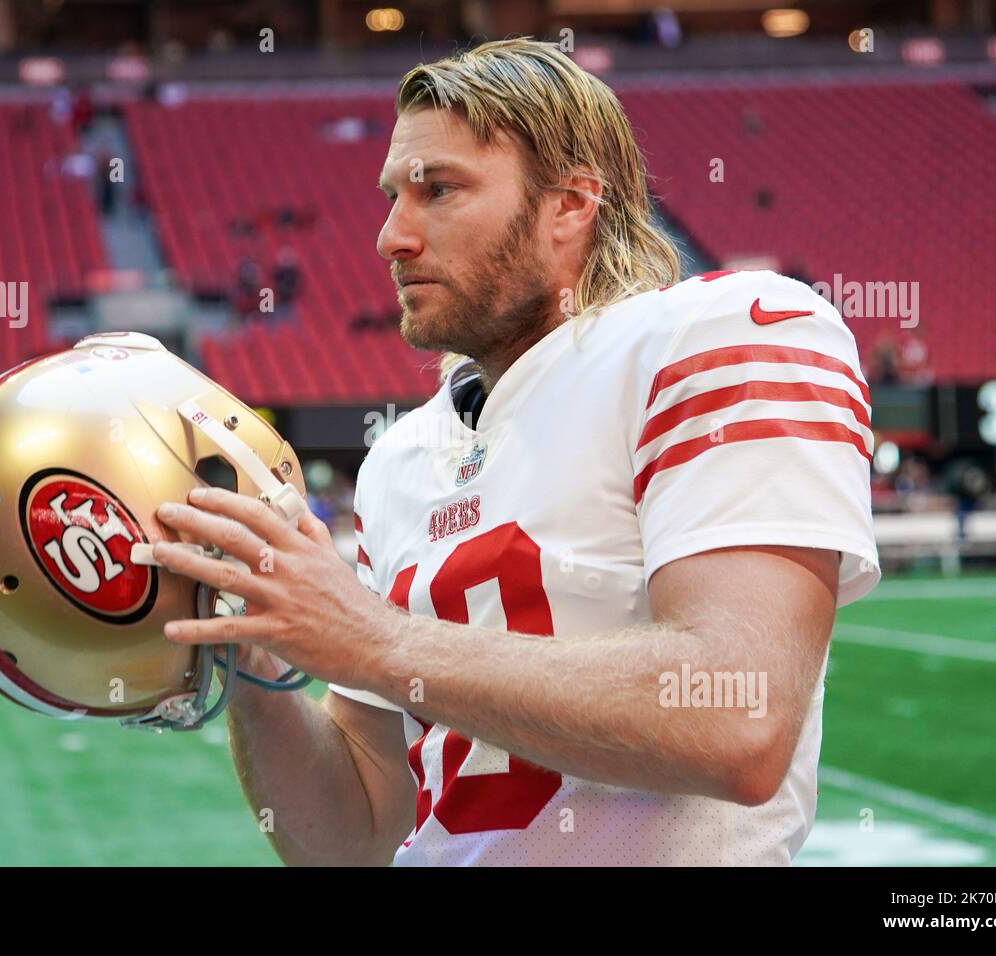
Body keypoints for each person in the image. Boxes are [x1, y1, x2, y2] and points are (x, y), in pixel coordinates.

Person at [150, 39, 878, 866]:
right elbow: (351, 837)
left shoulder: (721, 333)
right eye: (393, 196)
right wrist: (255, 659)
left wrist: (374, 641)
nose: (392, 236)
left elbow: (737, 716)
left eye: (439, 190)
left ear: (569, 204)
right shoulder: (399, 458)